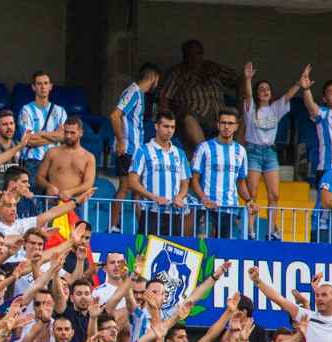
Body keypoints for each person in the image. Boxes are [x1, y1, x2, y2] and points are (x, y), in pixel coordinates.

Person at [240, 62, 305, 239]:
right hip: (253, 152)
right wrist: (248, 79)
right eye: (261, 89)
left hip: (270, 153)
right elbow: (247, 95)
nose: (265, 91)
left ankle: (270, 231)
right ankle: (250, 231)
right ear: (257, 93)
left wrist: (299, 84)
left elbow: (288, 96)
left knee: (274, 195)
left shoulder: (275, 108)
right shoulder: (251, 108)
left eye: (267, 89)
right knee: (252, 194)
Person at [158, 40, 240, 147]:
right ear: (184, 56)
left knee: (244, 116)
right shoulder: (177, 72)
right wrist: (167, 120)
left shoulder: (212, 68)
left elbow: (238, 80)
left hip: (220, 114)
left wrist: (242, 99)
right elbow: (164, 98)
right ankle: (204, 151)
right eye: (190, 54)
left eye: (197, 53)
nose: (194, 57)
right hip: (195, 116)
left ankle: (236, 152)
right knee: (188, 117)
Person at [110, 63, 162, 230]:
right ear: (153, 77)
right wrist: (121, 141)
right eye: (157, 80)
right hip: (128, 149)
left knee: (137, 191)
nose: (157, 84)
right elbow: (115, 115)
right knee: (125, 187)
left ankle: (143, 229)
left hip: (136, 151)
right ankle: (113, 227)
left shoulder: (139, 94)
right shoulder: (133, 92)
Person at [190, 107, 254, 238]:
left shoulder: (241, 151)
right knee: (204, 247)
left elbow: (241, 182)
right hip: (206, 208)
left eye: (230, 123)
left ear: (236, 126)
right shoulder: (204, 148)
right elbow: (194, 180)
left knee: (224, 248)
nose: (226, 126)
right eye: (223, 123)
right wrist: (204, 199)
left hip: (230, 209)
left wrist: (249, 200)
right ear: (218, 125)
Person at [128, 111, 191, 235]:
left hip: (174, 212)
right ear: (156, 126)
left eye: (172, 127)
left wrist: (180, 197)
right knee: (147, 247)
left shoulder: (180, 153)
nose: (169, 130)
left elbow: (185, 184)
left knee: (173, 247)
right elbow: (132, 182)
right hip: (151, 211)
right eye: (166, 126)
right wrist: (153, 197)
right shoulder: (143, 150)